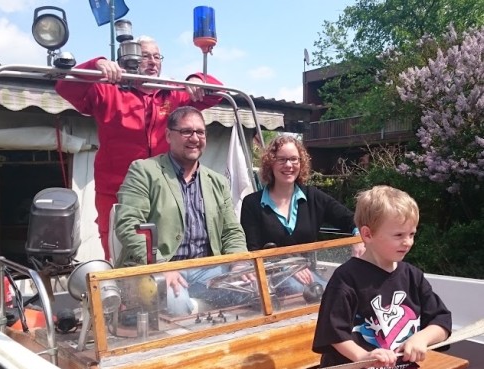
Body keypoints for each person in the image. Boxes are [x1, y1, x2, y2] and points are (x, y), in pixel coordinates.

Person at [54, 36, 222, 260]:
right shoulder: (108, 92)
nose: (152, 62)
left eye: (156, 57)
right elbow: (65, 87)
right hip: (116, 192)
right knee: (120, 252)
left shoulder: (173, 94)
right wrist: (96, 64)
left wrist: (196, 78)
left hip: (166, 190)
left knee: (167, 250)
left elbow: (218, 92)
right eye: (145, 56)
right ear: (128, 59)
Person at [114, 106, 250, 315]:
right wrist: (161, 266)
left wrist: (239, 264)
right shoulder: (143, 171)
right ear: (168, 135)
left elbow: (231, 231)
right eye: (186, 131)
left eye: (200, 132)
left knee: (254, 290)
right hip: (157, 269)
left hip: (207, 268)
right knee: (176, 306)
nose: (195, 138)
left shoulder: (218, 182)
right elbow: (129, 224)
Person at [312, 185, 451, 368]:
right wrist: (363, 356)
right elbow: (333, 333)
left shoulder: (412, 276)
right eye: (399, 235)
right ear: (368, 234)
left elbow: (441, 321)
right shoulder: (346, 279)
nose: (408, 242)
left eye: (412, 234)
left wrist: (422, 338)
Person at [240, 135, 363, 295]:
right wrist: (287, 266)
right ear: (270, 163)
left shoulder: (314, 197)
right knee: (312, 292)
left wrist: (358, 237)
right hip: (270, 284)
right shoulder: (252, 203)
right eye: (282, 160)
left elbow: (350, 219)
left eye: (294, 159)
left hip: (308, 279)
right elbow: (253, 250)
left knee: (342, 293)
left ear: (301, 163)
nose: (289, 165)